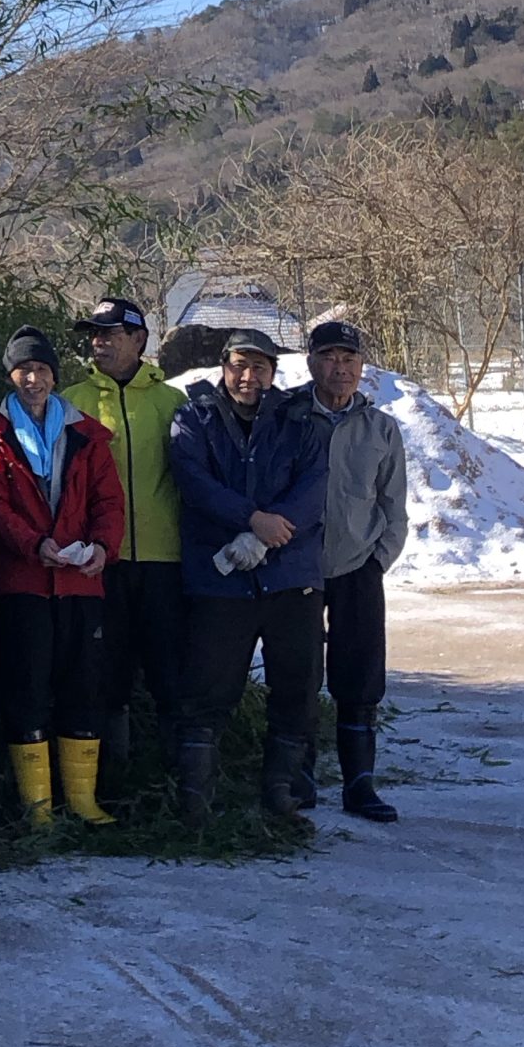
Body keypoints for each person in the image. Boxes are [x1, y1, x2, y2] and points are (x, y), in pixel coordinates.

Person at [167, 328, 329, 829]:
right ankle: (196, 802)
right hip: (221, 581)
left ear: (273, 373)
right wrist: (250, 519)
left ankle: (281, 792)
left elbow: (314, 487)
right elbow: (194, 483)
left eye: (260, 367)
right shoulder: (193, 416)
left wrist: (267, 533)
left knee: (297, 687)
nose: (248, 376)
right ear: (223, 367)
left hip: (290, 577)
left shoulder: (300, 420)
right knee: (207, 690)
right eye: (239, 365)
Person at [0, 327, 126, 825]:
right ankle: (37, 808)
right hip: (22, 583)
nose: (33, 379)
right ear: (10, 375)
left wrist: (102, 547)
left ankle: (82, 801)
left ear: (55, 375)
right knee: (26, 687)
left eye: (40, 369)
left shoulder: (86, 434)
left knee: (85, 685)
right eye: (23, 370)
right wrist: (35, 545)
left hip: (81, 580)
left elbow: (109, 500)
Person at [61, 297, 185, 794]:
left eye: (111, 332)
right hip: (96, 563)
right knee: (104, 676)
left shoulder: (172, 402)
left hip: (163, 562)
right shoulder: (69, 401)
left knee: (169, 675)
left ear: (139, 339)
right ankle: (112, 787)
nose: (100, 341)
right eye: (94, 332)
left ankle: (178, 788)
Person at [304, 317, 408, 823]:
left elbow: (395, 505)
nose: (340, 369)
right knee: (298, 674)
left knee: (360, 677)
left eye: (349, 359)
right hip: (297, 567)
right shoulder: (288, 417)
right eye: (329, 358)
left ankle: (359, 783)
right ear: (311, 363)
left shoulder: (381, 428)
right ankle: (296, 777)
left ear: (362, 368)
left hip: (356, 568)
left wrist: (377, 561)